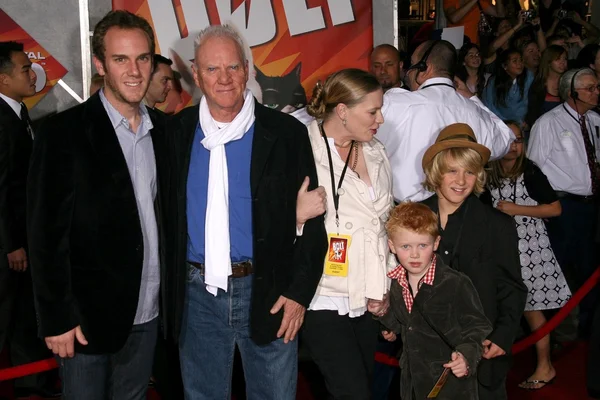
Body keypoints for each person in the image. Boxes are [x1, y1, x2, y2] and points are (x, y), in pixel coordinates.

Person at [170, 24, 327, 400]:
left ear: (248, 70)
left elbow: (315, 220)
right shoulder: (175, 133)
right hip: (197, 297)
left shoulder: (286, 133)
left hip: (270, 290)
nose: (224, 78)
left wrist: (299, 294)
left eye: (233, 67)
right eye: (212, 69)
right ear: (195, 74)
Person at [27, 10, 171, 399]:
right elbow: (44, 237)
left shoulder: (166, 133)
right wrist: (56, 319)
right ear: (99, 64)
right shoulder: (62, 134)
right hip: (85, 319)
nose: (135, 71)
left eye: (143, 58)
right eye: (120, 59)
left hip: (149, 311)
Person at [299, 69, 393, 399]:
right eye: (372, 111)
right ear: (342, 111)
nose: (380, 118)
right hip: (322, 294)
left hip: (367, 297)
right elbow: (269, 225)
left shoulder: (375, 150)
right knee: (353, 393)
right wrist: (296, 216)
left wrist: (384, 287)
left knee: (360, 387)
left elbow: (385, 224)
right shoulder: (302, 149)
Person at [419, 123, 527, 399]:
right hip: (426, 352)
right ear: (436, 172)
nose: (461, 180)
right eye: (452, 170)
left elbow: (512, 287)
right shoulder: (413, 218)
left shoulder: (496, 225)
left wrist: (503, 337)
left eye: (469, 171)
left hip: (481, 351)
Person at [482, 121, 571, 390]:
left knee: (533, 310)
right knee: (500, 311)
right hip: (499, 249)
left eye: (518, 140)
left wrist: (516, 209)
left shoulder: (530, 171)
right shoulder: (488, 174)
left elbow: (555, 209)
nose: (513, 146)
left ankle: (546, 366)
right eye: (508, 140)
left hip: (531, 248)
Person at [378, 202, 492, 400]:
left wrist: (466, 356)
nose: (414, 254)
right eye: (406, 246)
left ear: (436, 243)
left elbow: (477, 327)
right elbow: (403, 324)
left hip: (450, 382)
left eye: (423, 245)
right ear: (392, 246)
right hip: (413, 382)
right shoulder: (396, 283)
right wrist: (382, 314)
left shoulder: (455, 283)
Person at [377, 40, 514, 202]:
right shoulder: (473, 110)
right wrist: (472, 98)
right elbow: (506, 139)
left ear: (424, 68)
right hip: (458, 213)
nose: (408, 73)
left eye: (412, 66)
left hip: (406, 214)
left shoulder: (395, 103)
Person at [0, 41, 60, 399]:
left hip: (26, 242)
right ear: (3, 79)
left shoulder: (19, 115)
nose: (34, 73)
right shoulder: (3, 121)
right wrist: (12, 244)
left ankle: (30, 384)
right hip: (11, 247)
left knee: (24, 315)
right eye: (25, 68)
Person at [527, 68, 600, 335]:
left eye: (596, 87)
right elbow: (533, 168)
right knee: (557, 268)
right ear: (572, 92)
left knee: (589, 267)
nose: (596, 92)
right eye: (590, 88)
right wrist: (542, 206)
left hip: (591, 206)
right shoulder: (549, 123)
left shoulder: (594, 121)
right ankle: (555, 331)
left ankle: (587, 330)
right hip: (563, 207)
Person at [482, 48, 535, 128]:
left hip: (522, 125)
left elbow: (532, 102)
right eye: (515, 61)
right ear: (504, 66)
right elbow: (489, 105)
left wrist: (524, 122)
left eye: (521, 60)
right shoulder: (494, 81)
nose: (519, 64)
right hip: (499, 125)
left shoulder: (529, 77)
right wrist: (504, 123)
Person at [526, 45, 568, 129]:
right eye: (558, 59)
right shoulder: (538, 86)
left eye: (565, 58)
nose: (562, 62)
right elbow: (533, 115)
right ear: (548, 62)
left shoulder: (570, 83)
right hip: (545, 129)